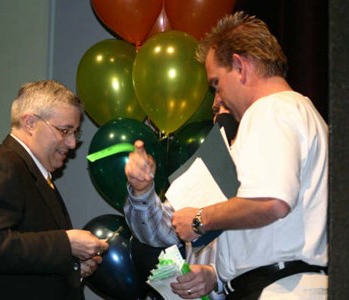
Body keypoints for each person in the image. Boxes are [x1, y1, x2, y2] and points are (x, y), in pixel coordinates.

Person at [126, 11, 328, 300]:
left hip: (281, 287)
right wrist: (216, 275)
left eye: (216, 84)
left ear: (239, 66)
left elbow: (271, 203)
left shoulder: (269, 110)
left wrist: (199, 219)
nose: (218, 99)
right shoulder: (302, 112)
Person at [0, 80, 108, 300]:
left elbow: (21, 264)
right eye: (64, 131)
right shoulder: (1, 167)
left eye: (75, 133)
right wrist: (66, 244)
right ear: (30, 123)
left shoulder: (31, 173)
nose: (72, 144)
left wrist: (72, 268)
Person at [124, 107, 238, 300]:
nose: (219, 106)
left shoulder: (266, 167)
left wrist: (217, 276)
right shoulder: (208, 164)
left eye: (226, 104)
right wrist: (142, 191)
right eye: (216, 108)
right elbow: (157, 232)